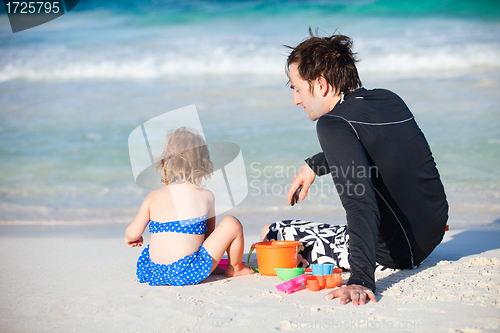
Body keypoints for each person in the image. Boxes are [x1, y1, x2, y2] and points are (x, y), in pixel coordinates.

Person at [261, 30, 448, 305]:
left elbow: (360, 203)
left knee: (272, 232)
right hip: (430, 232)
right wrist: (315, 165)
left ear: (321, 85)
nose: (296, 100)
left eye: (297, 88)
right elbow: (374, 149)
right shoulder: (387, 99)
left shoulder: (332, 124)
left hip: (394, 253)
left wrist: (361, 278)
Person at [125, 127, 254, 286]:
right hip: (188, 270)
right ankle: (235, 268)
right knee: (232, 223)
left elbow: (133, 233)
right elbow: (209, 236)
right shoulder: (206, 196)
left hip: (155, 270)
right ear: (203, 163)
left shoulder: (153, 197)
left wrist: (131, 238)